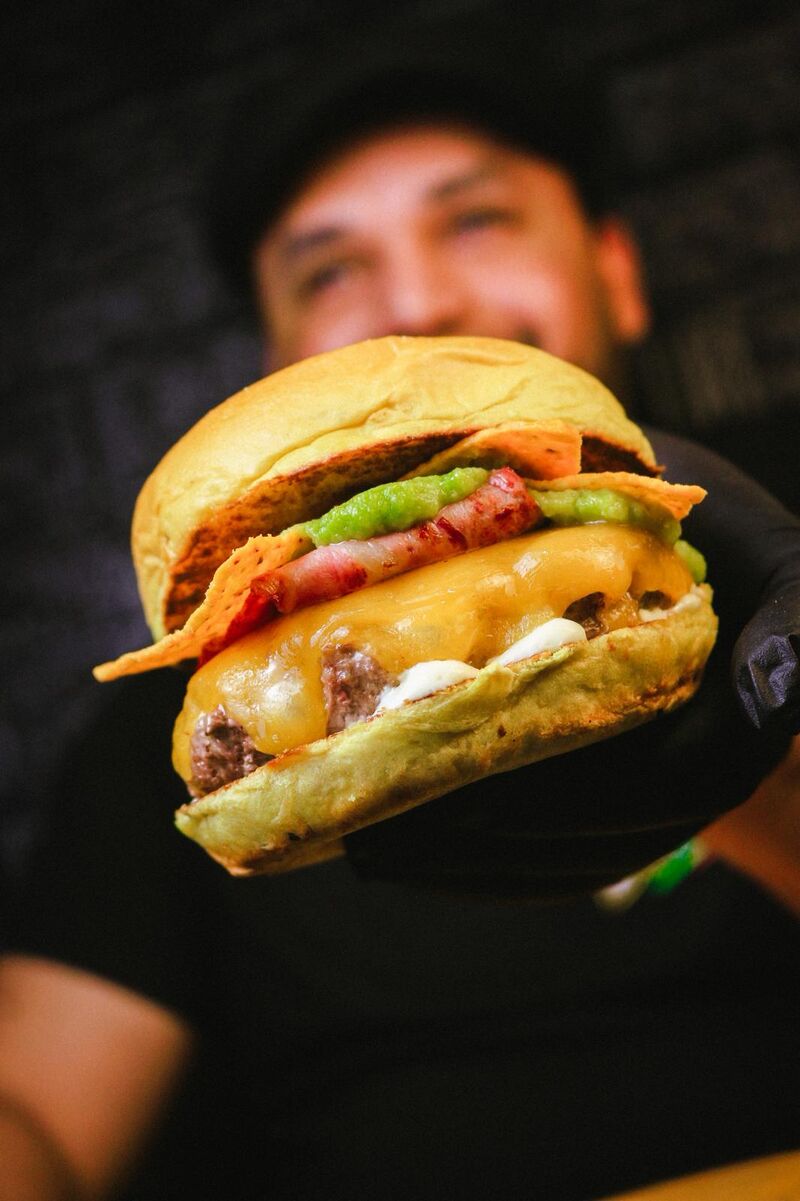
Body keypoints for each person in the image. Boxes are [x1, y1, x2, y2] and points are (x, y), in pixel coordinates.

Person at [2, 32, 800, 1201]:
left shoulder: (780, 546)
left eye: (475, 219)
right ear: (276, 359)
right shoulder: (155, 740)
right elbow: (39, 1117)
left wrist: (777, 788)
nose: (418, 301)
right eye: (329, 271)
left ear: (615, 270)